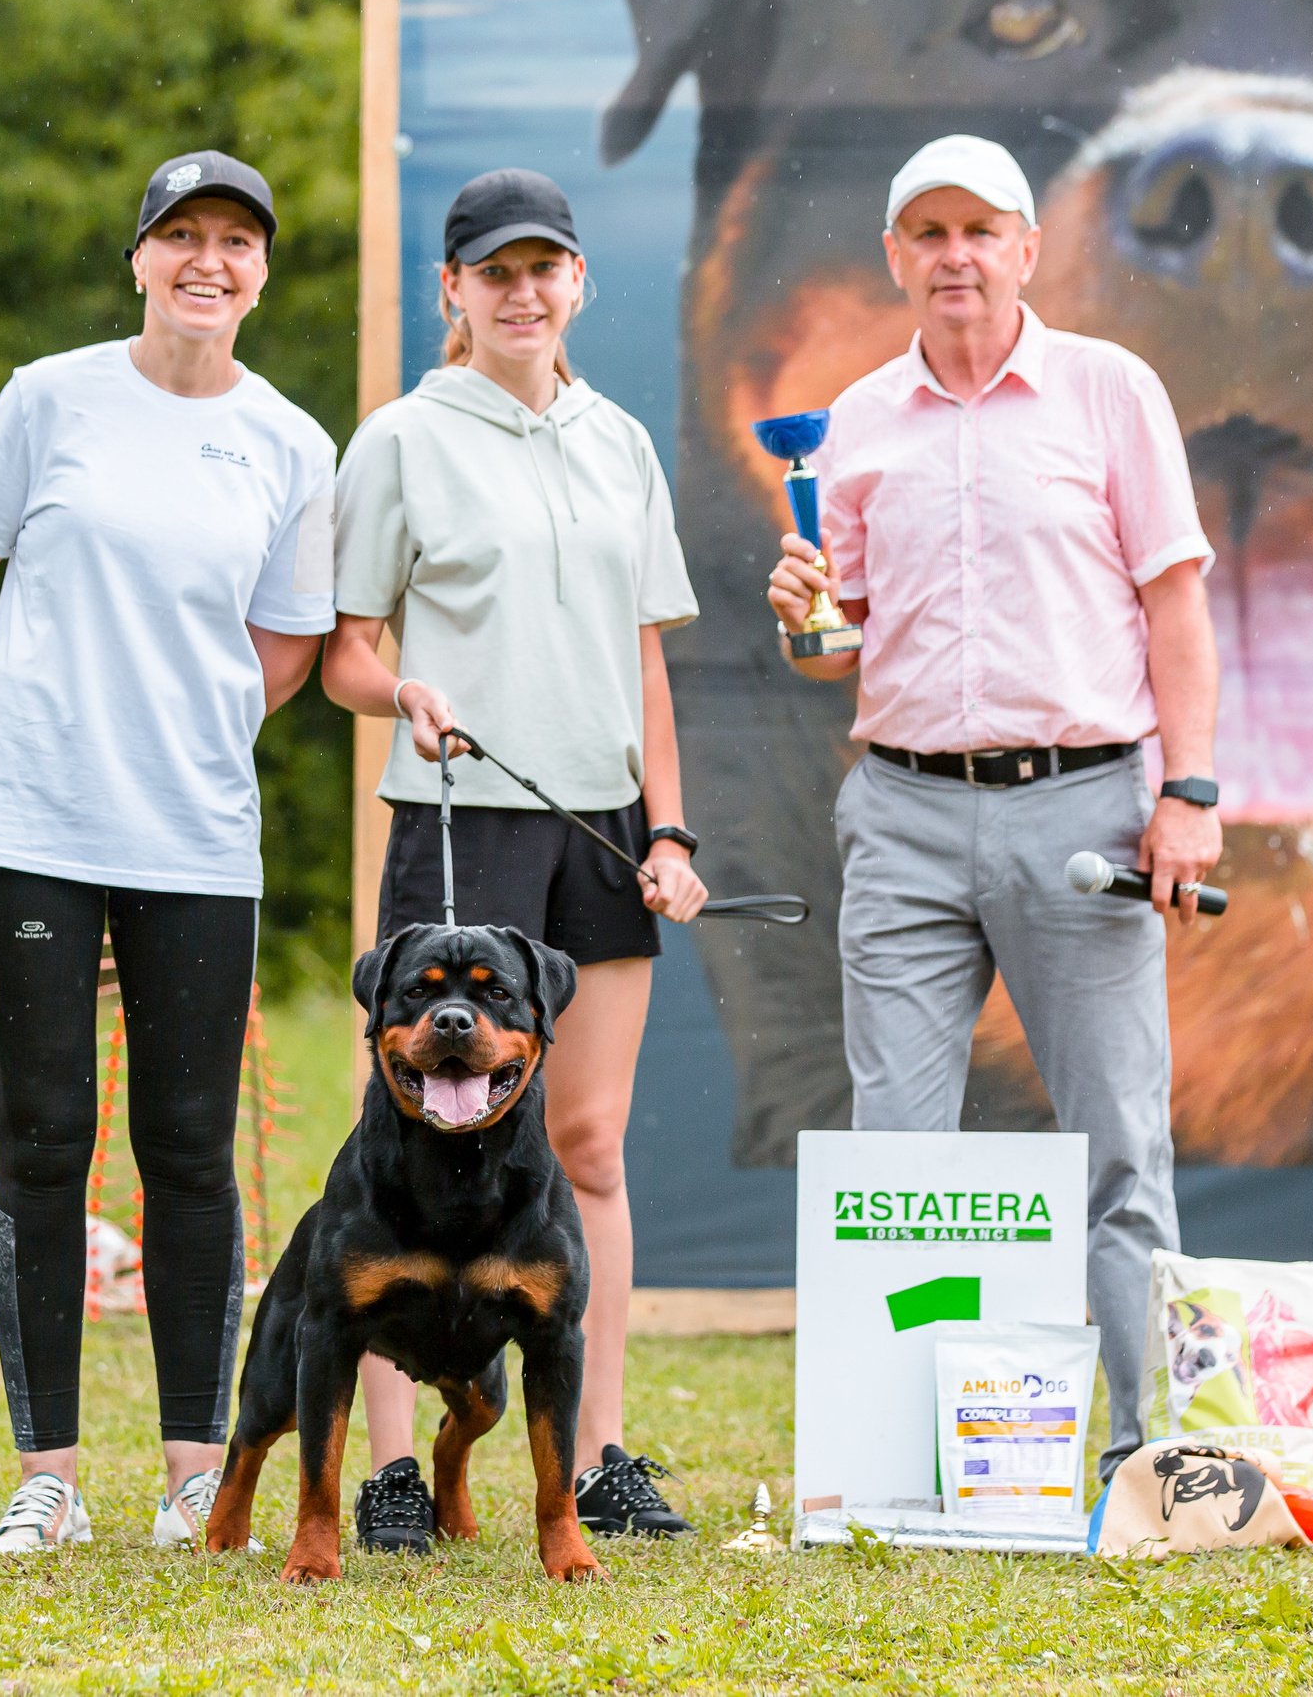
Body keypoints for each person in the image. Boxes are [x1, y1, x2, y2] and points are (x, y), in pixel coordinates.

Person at [764, 135, 1221, 1483]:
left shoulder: (1109, 391)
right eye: (930, 233)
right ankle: (911, 1460)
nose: (956, 255)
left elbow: (1176, 604)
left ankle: (1154, 1458)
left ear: (1029, 249)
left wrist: (1188, 795)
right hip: (901, 812)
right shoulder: (851, 421)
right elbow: (833, 641)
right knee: (897, 1165)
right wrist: (801, 620)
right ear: (895, 257)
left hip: (1084, 809)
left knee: (1120, 1144)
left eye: (982, 230)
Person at [0, 151, 338, 1554]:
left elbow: (286, 645)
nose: (207, 262)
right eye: (181, 238)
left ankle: (189, 1476)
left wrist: (184, 726)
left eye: (235, 242)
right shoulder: (52, 397)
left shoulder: (289, 442)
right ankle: (47, 1479)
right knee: (43, 1143)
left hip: (196, 837)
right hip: (28, 828)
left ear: (261, 272)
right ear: (139, 258)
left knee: (192, 1150)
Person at [322, 168, 709, 1548]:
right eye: (497, 273)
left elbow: (647, 658)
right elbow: (344, 655)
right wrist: (402, 694)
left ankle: (596, 1455)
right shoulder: (402, 440)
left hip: (601, 830)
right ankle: (384, 1474)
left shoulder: (620, 441)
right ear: (455, 293)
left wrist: (668, 830)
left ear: (579, 282)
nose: (524, 292)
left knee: (589, 1142)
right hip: (456, 817)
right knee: (407, 1145)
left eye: (547, 268)